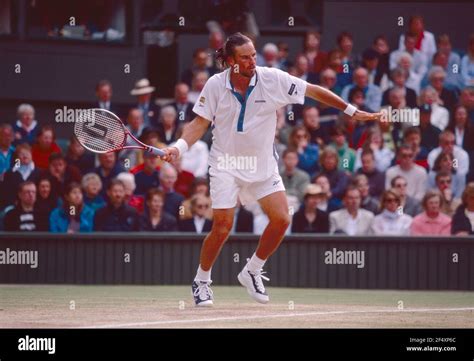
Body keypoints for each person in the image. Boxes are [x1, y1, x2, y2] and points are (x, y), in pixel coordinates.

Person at [159, 32, 380, 306]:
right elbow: (198, 124)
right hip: (225, 164)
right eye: (245, 57)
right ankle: (202, 280)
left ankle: (251, 270)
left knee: (282, 220)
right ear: (230, 61)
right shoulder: (215, 85)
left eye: (254, 55)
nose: (253, 61)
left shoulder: (273, 79)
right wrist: (178, 147)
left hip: (263, 165)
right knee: (223, 226)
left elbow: (312, 90)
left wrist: (350, 110)